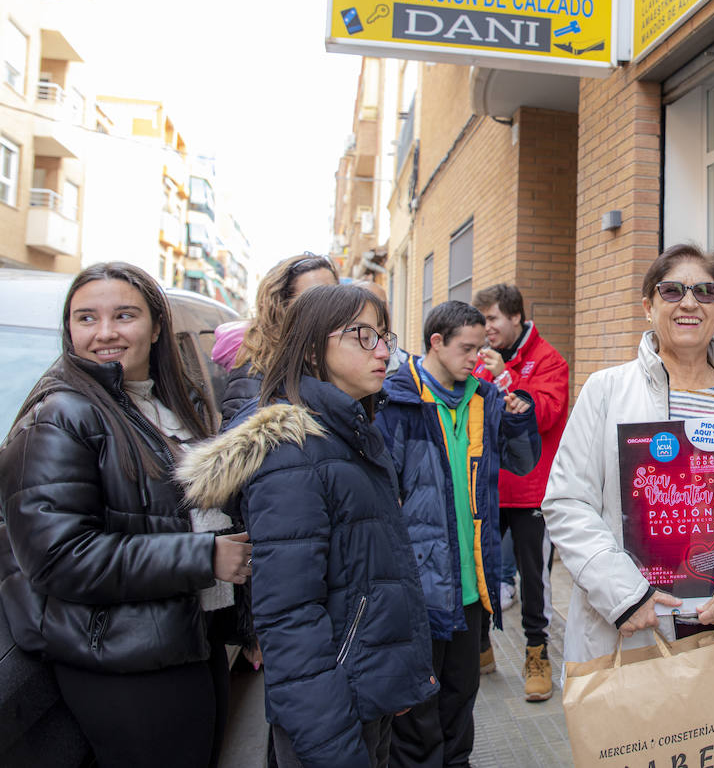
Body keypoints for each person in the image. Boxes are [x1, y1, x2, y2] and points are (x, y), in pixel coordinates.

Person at [0, 262, 251, 768]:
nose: (105, 333)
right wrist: (202, 558)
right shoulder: (60, 415)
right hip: (119, 654)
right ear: (69, 329)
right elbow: (59, 558)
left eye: (124, 315)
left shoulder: (168, 405)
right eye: (86, 318)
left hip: (186, 635)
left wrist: (241, 620)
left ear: (157, 326)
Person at [543, 244, 714, 733]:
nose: (689, 302)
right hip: (634, 623)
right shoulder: (605, 391)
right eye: (672, 290)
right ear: (648, 305)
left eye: (706, 291)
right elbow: (567, 503)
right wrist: (625, 595)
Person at [177, 285, 436, 768]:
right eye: (363, 335)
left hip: (362, 691)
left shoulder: (351, 431)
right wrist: (330, 745)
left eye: (384, 336)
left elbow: (371, 576)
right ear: (314, 347)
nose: (383, 350)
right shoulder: (293, 453)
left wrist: (391, 675)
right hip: (330, 718)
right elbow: (289, 618)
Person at [376, 301, 541, 768]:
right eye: (467, 348)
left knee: (460, 706)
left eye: (481, 348)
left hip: (472, 589)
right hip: (418, 591)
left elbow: (523, 463)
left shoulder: (484, 399)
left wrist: (515, 414)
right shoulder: (397, 401)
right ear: (436, 342)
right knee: (416, 721)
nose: (476, 358)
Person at [472, 283, 570, 701]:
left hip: (531, 490)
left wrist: (504, 377)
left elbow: (542, 416)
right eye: (483, 321)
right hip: (487, 486)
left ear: (515, 317)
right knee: (476, 565)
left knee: (534, 578)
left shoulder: (549, 360)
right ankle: (479, 646)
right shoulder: (481, 360)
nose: (487, 328)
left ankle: (537, 654)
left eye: (492, 319)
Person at [215, 252, 339, 424]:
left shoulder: (333, 360)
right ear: (281, 307)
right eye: (315, 298)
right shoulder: (255, 377)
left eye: (336, 295)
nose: (332, 306)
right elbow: (240, 447)